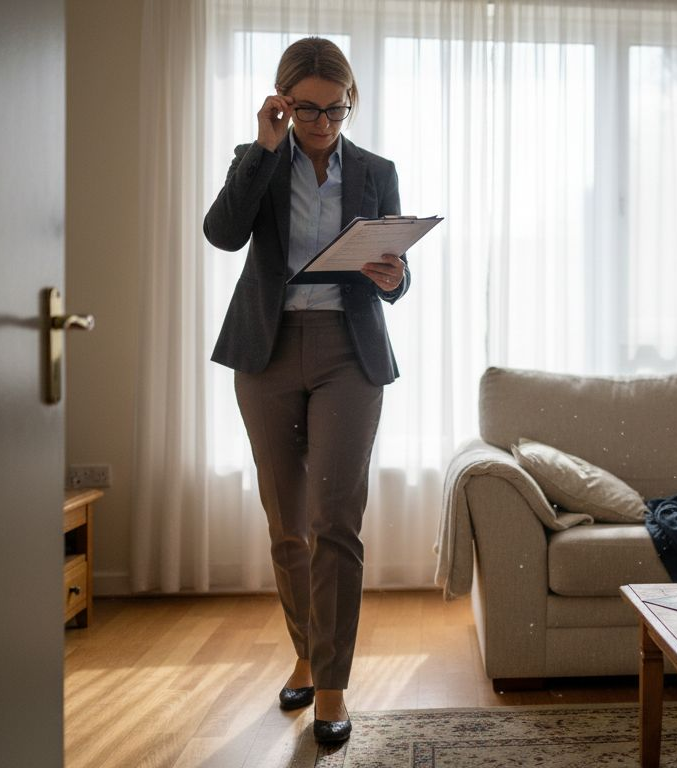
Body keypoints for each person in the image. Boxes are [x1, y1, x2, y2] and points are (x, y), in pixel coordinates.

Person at [202, 37, 410, 745]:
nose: (323, 122)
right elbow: (223, 236)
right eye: (308, 108)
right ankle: (304, 648)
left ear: (352, 102)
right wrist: (264, 149)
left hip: (347, 351)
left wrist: (394, 278)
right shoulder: (255, 159)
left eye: (336, 108)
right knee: (286, 519)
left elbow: (395, 268)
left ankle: (332, 684)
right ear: (283, 101)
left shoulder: (376, 171)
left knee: (335, 519)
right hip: (265, 350)